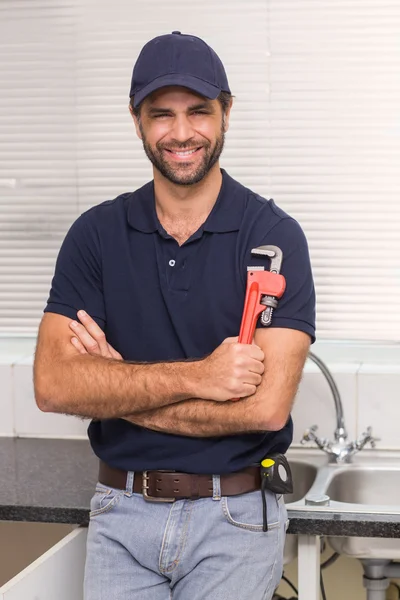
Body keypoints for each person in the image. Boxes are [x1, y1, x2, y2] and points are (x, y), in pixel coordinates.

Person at [33, 31, 315, 600]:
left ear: (227, 113)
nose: (181, 133)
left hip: (235, 519)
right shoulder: (96, 236)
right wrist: (201, 378)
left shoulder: (273, 238)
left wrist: (116, 386)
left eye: (199, 112)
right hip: (120, 516)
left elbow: (264, 409)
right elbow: (54, 384)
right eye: (161, 114)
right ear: (137, 119)